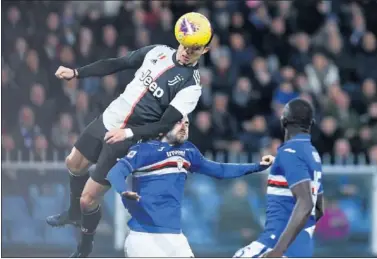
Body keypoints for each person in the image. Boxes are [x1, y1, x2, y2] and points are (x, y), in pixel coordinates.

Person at [46, 12, 213, 258]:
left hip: (128, 139)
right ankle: (72, 214)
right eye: (185, 45)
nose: (188, 51)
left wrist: (127, 132)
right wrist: (77, 73)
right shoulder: (158, 51)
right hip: (109, 118)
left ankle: (84, 246)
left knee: (88, 201)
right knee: (73, 163)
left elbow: (164, 125)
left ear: (205, 50)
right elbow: (118, 63)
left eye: (195, 49)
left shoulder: (191, 86)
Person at [106, 115, 275, 257]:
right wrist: (124, 191)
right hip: (144, 237)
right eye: (179, 122)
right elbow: (115, 172)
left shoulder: (188, 151)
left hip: (175, 237)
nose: (184, 126)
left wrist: (257, 166)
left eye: (186, 123)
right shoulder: (144, 150)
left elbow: (220, 170)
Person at [233, 98, 324, 258]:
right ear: (312, 123)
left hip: (275, 245)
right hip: (302, 250)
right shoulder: (313, 155)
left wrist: (279, 251)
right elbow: (319, 209)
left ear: (283, 121)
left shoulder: (289, 152)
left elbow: (306, 202)